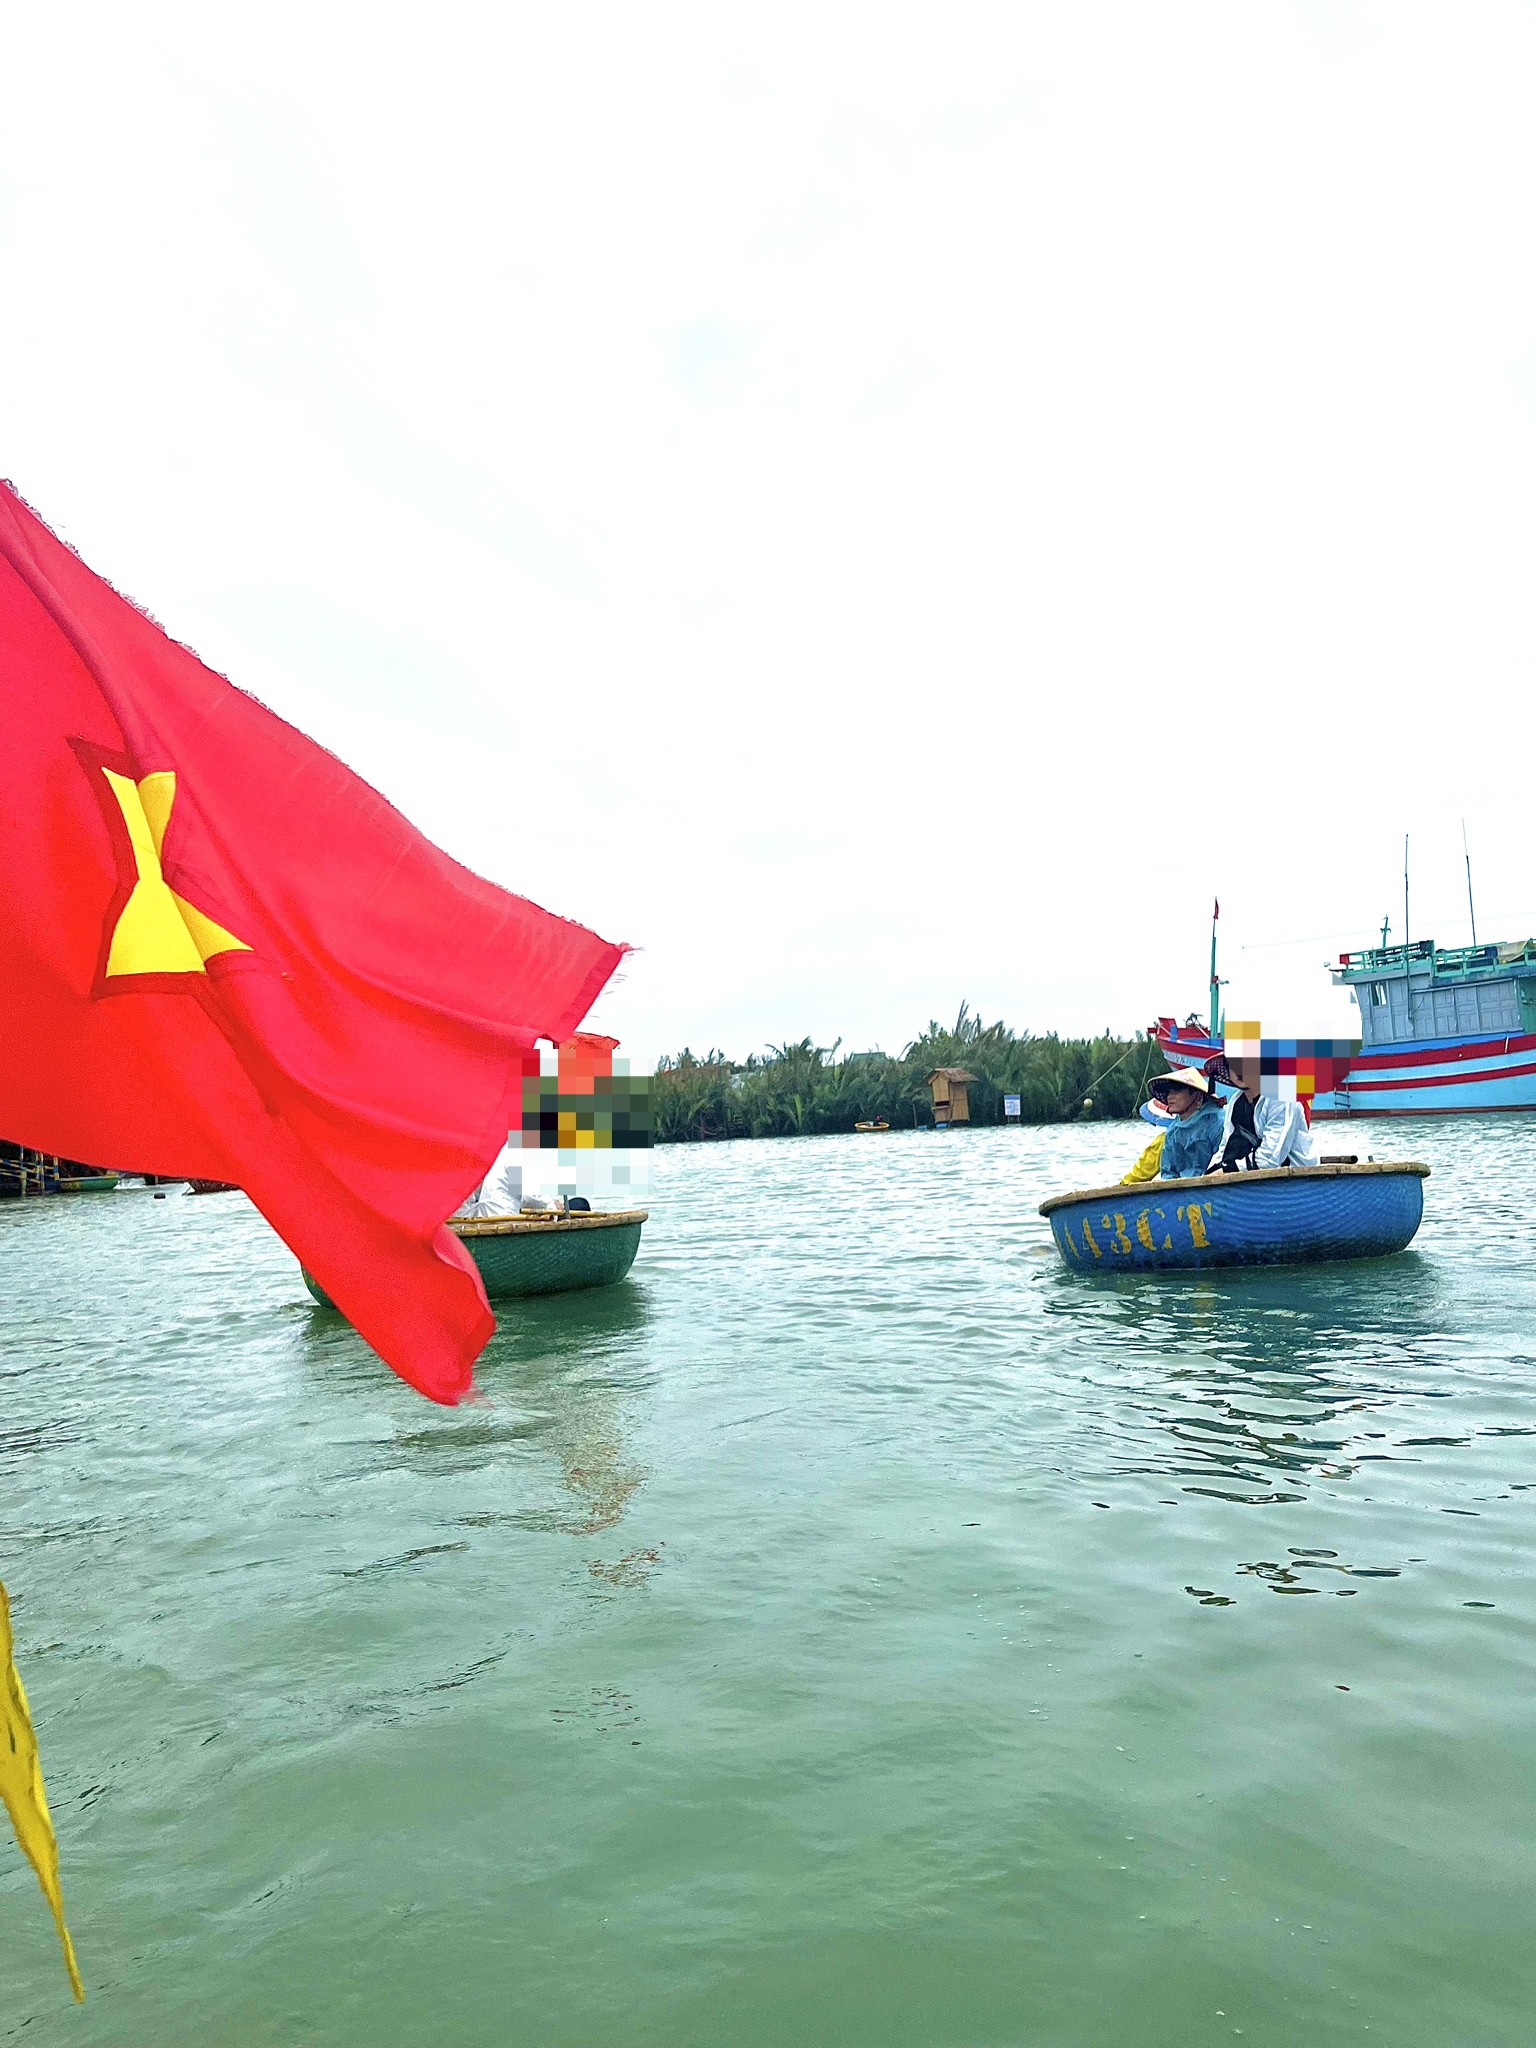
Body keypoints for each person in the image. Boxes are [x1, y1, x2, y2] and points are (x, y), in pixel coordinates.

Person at [1208, 1057, 1320, 1172]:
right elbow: (1225, 1145)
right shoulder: (1235, 1101)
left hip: (1297, 1177)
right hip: (1254, 1175)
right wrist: (1210, 1173)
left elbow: (1270, 1158)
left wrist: (1227, 1171)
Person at [1140, 1067, 1226, 1180]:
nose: (1170, 1096)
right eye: (1168, 1091)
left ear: (1197, 1095)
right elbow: (1168, 1172)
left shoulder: (1217, 1121)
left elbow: (1224, 1162)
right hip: (1181, 1191)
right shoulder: (1172, 1131)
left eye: (1177, 1090)